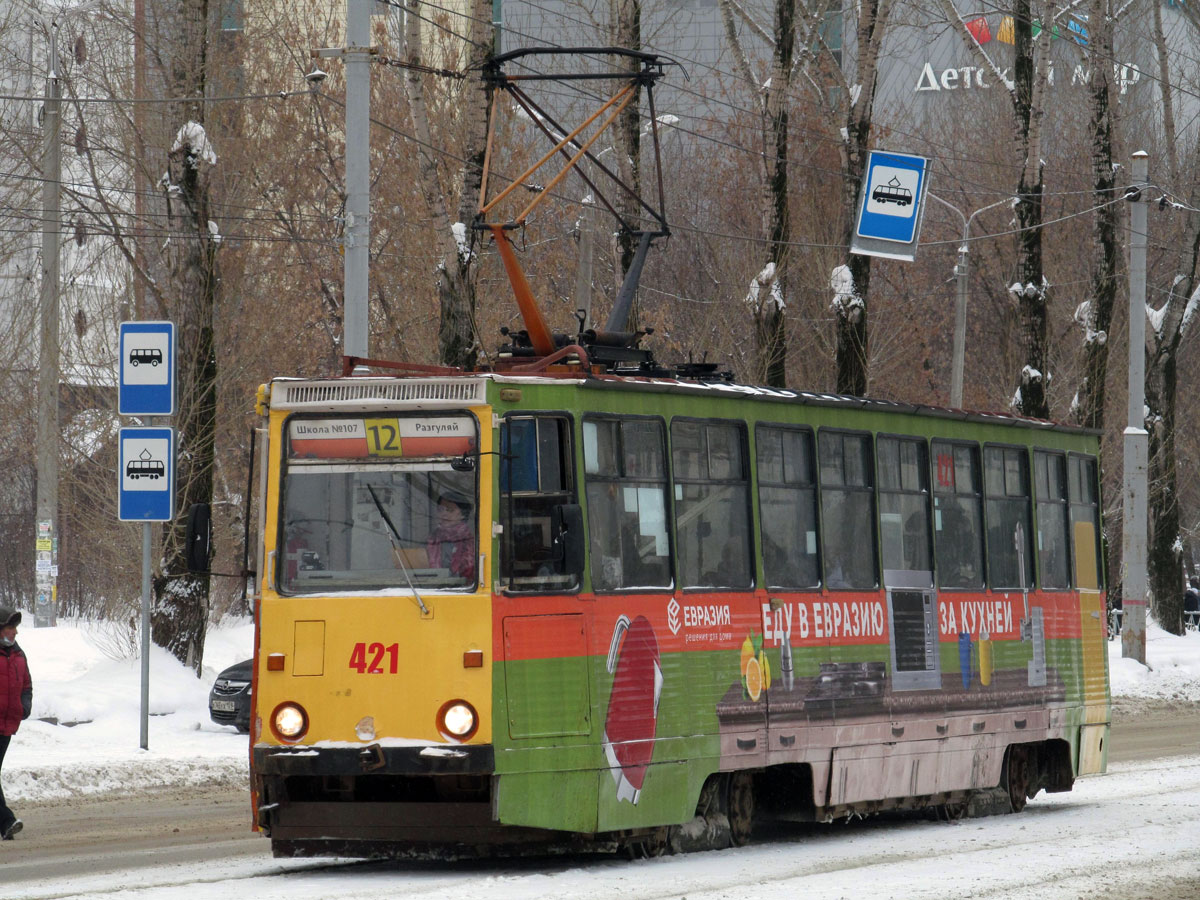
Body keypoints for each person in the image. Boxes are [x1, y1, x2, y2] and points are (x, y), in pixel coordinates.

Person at [0, 606, 31, 841]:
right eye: (11, 627)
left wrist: (24, 706)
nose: (15, 632)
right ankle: (6, 822)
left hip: (7, 725)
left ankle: (6, 823)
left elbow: (27, 686)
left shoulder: (19, 655)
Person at [427, 493, 475, 581]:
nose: (444, 514)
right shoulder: (432, 539)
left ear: (463, 514)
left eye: (450, 510)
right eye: (441, 510)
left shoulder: (470, 541)